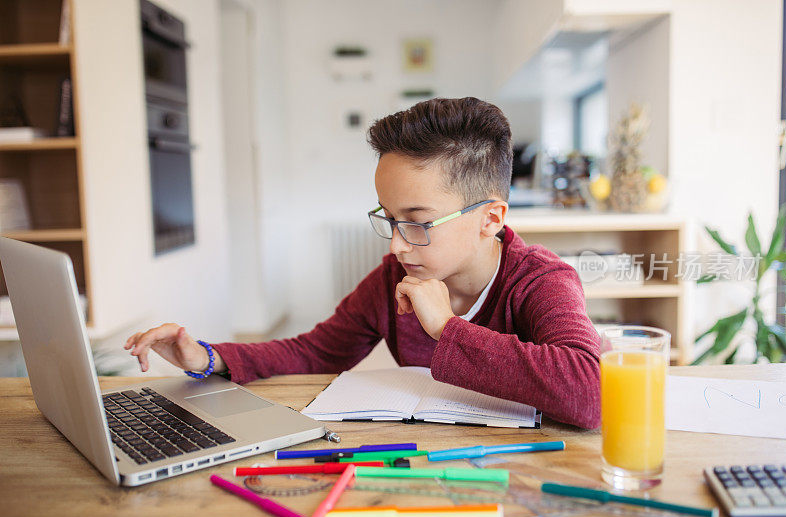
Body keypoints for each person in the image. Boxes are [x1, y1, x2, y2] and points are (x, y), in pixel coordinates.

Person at [125, 97, 602, 428]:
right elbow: (318, 352)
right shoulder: (397, 276)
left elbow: (590, 391)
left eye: (417, 220)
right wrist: (208, 356)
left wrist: (446, 329)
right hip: (420, 462)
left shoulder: (541, 281)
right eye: (389, 218)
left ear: (490, 218)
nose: (396, 245)